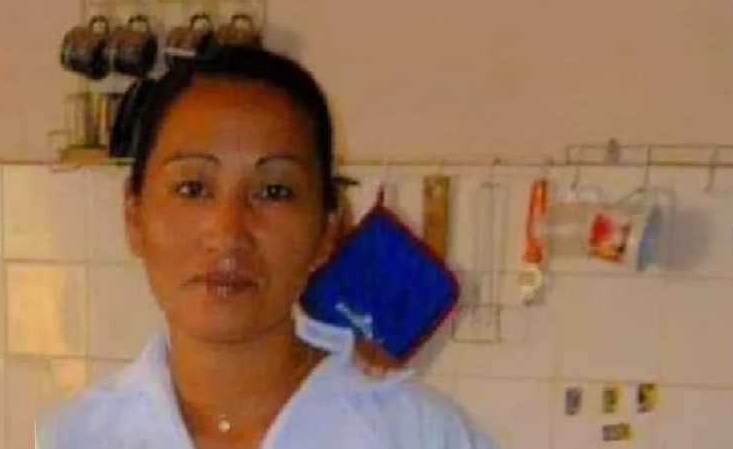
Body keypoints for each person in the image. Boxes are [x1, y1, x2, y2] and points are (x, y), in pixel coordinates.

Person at [37, 46, 499, 449]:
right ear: (133, 216)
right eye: (193, 188)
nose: (228, 231)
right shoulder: (76, 436)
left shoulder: (416, 436)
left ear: (327, 231)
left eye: (274, 191)